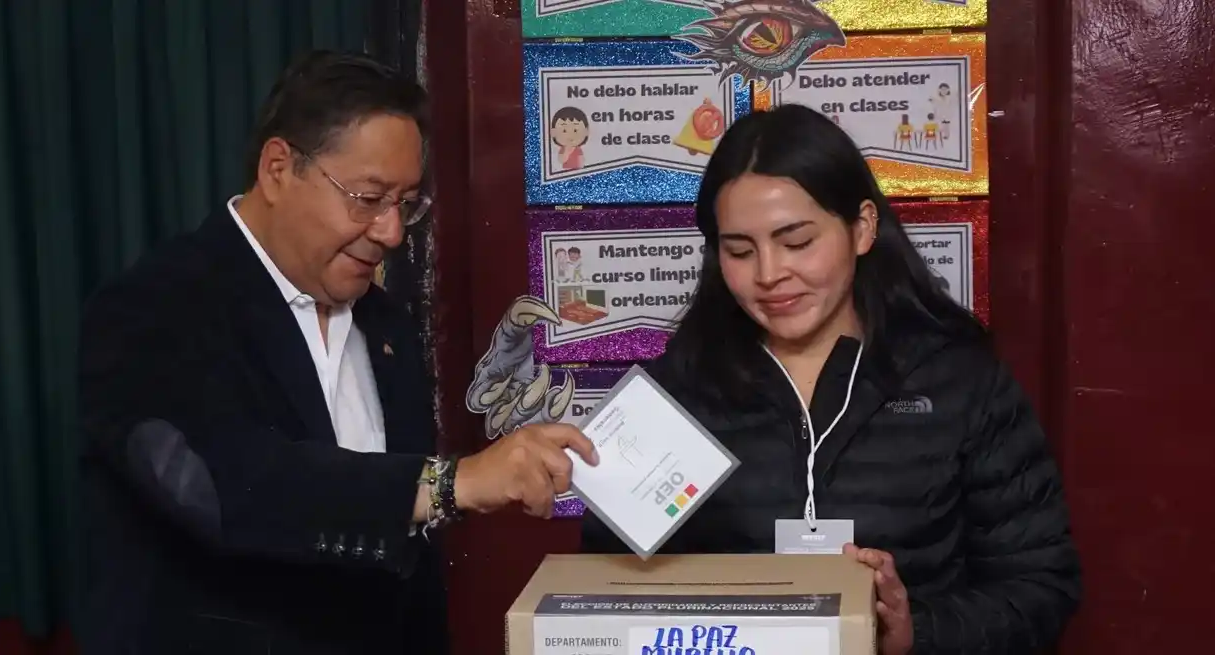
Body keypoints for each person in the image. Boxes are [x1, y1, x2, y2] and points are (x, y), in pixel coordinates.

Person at [77, 51, 596, 655]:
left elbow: (406, 548)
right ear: (278, 169)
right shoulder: (154, 305)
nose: (392, 233)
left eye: (405, 204)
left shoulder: (384, 323)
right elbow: (219, 485)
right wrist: (455, 483)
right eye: (368, 197)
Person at [579, 104, 1080, 654]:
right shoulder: (680, 389)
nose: (769, 274)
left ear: (862, 228)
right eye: (740, 251)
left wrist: (915, 631)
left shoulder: (956, 377)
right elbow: (604, 588)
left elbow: (1039, 586)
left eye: (797, 242)